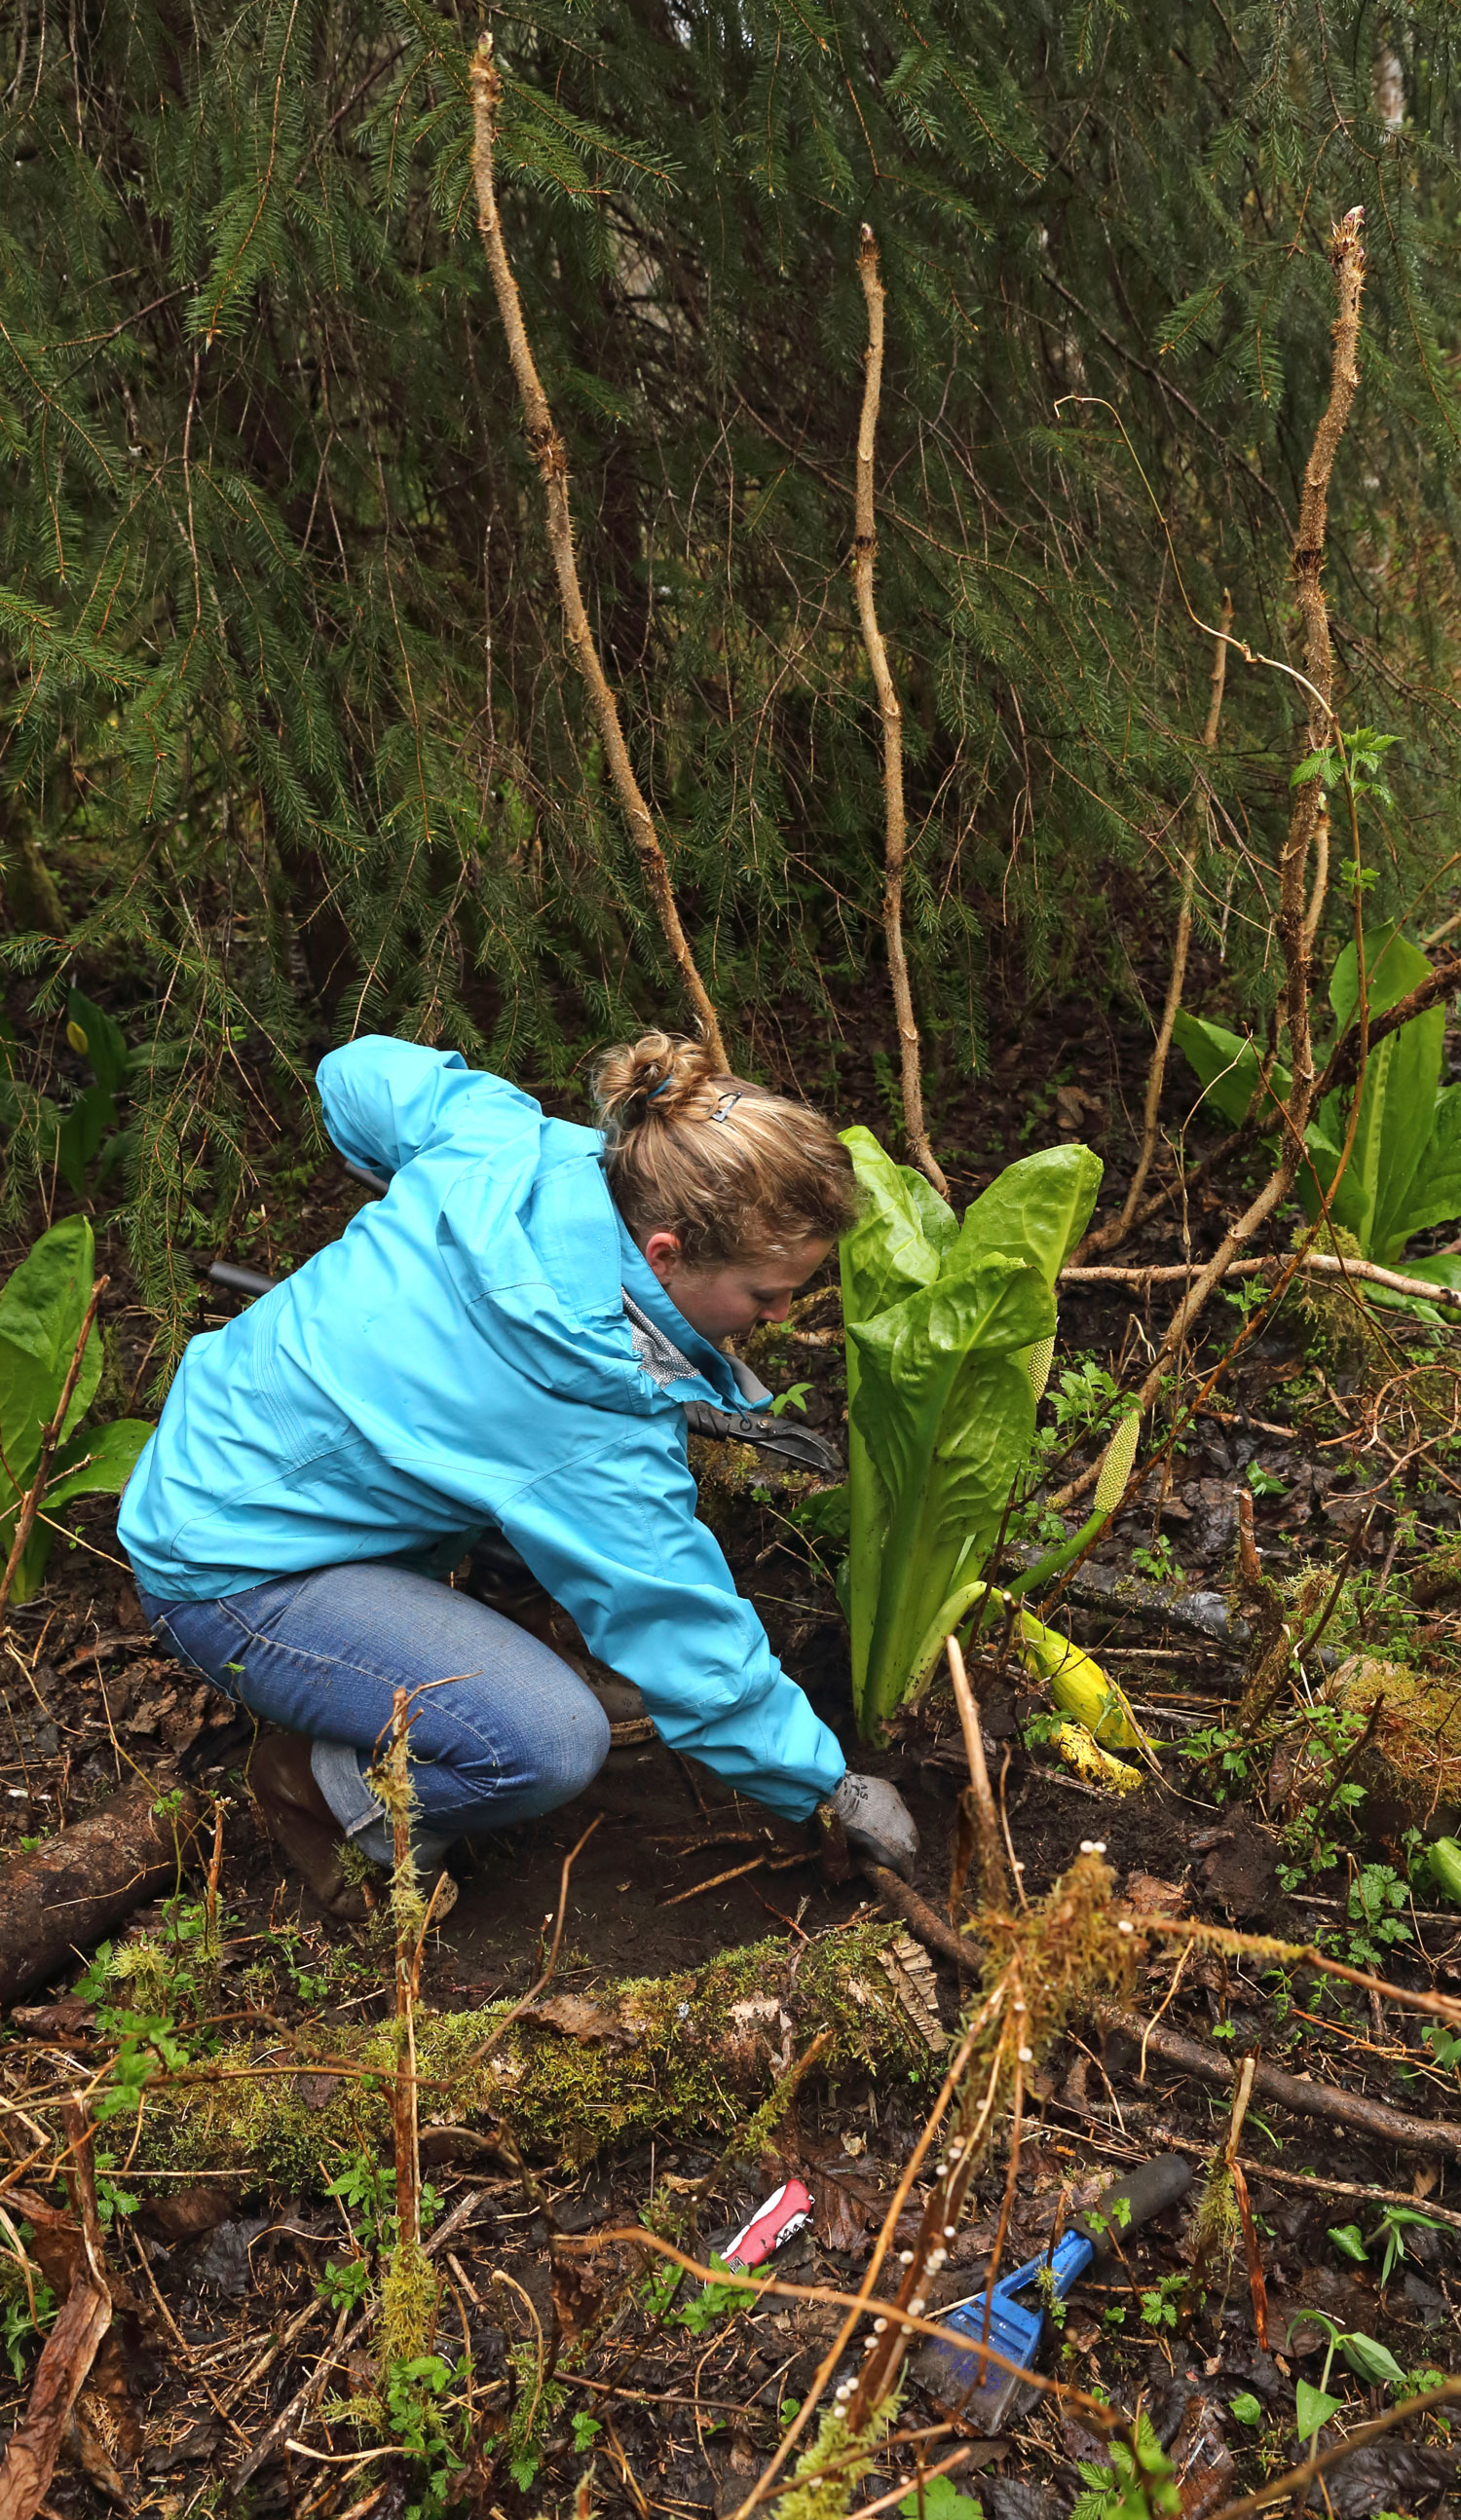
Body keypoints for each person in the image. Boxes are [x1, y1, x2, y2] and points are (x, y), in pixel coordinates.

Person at [118, 1031, 918, 1917]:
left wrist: (416, 1196)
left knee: (528, 1507)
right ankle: (325, 1791)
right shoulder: (590, 1417)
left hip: (235, 1457)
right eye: (765, 1295)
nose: (777, 1314)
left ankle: (475, 1648)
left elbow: (358, 1074)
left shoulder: (507, 1141)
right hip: (230, 1573)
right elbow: (681, 1630)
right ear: (663, 1251)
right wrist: (824, 1790)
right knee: (546, 1744)